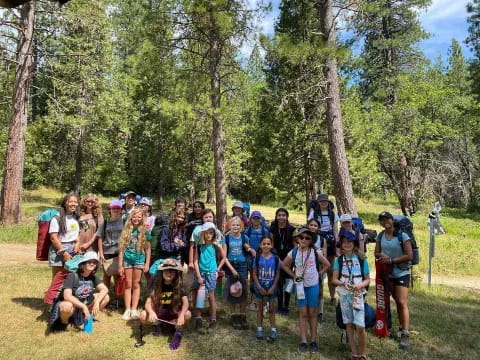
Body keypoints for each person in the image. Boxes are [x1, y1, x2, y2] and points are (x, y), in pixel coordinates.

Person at [281, 227, 330, 354]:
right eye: (301, 237)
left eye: (307, 238)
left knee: (312, 313)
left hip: (313, 285)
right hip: (300, 286)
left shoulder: (314, 252)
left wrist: (318, 274)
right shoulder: (294, 252)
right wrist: (293, 276)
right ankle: (303, 341)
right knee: (303, 313)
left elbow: (327, 265)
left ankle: (313, 341)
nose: (303, 239)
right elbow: (284, 265)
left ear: (310, 241)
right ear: (297, 238)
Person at [375, 211, 413, 349]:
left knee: (402, 301)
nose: (385, 222)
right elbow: (376, 252)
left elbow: (409, 255)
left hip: (401, 271)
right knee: (391, 300)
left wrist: (392, 260)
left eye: (387, 219)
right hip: (388, 273)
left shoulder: (403, 235)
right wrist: (382, 256)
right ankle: (388, 327)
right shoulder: (381, 236)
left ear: (392, 220)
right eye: (382, 220)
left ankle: (405, 333)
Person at [332, 230, 370, 360]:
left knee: (360, 325)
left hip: (358, 295)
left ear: (354, 243)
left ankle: (362, 353)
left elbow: (367, 279)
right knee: (348, 323)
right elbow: (334, 279)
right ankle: (354, 353)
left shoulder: (362, 259)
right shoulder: (339, 260)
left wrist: (360, 285)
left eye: (349, 241)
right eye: (344, 242)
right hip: (344, 295)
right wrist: (343, 284)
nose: (347, 244)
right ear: (341, 244)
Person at [49, 251, 109, 332]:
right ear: (83, 263)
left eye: (94, 262)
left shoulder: (93, 277)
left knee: (106, 297)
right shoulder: (72, 276)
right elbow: (67, 296)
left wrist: (97, 302)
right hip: (72, 305)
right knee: (67, 306)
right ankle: (64, 322)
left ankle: (87, 318)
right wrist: (83, 306)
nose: (92, 264)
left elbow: (105, 289)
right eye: (89, 261)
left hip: (83, 304)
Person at [140, 258, 191, 350]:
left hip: (173, 312)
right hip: (158, 313)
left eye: (172, 271)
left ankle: (174, 326)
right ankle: (157, 325)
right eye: (166, 271)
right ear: (162, 272)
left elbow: (186, 303)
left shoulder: (179, 284)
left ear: (176, 273)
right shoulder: (154, 282)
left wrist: (181, 315)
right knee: (143, 315)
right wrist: (151, 312)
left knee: (187, 314)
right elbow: (147, 303)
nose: (169, 273)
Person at [118, 209, 152, 320]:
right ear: (130, 218)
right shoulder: (126, 231)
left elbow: (148, 249)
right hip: (127, 260)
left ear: (142, 218)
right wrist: (120, 265)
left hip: (139, 260)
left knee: (136, 284)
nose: (136, 219)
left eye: (139, 217)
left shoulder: (145, 231)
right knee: (128, 283)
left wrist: (147, 264)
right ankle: (127, 309)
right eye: (134, 217)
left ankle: (134, 309)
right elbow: (121, 249)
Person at [192, 222, 225, 334]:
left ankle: (213, 319)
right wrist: (198, 275)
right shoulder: (199, 246)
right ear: (203, 234)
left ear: (214, 234)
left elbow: (223, 258)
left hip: (211, 274)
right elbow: (195, 261)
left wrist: (217, 270)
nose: (209, 235)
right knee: (200, 297)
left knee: (211, 297)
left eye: (211, 232)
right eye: (207, 232)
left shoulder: (216, 246)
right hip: (201, 274)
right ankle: (198, 319)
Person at [222, 216, 255, 329]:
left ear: (241, 227)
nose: (235, 227)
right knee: (232, 291)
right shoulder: (226, 238)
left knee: (243, 290)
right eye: (233, 225)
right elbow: (224, 257)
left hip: (242, 265)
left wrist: (249, 249)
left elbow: (248, 249)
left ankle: (242, 315)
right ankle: (234, 316)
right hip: (231, 265)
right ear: (229, 226)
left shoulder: (244, 237)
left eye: (237, 225)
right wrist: (232, 270)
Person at [308, 193, 339, 306]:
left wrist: (337, 245)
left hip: (330, 243)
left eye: (325, 201)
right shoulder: (313, 213)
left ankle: (332, 296)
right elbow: (310, 227)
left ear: (328, 202)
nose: (323, 203)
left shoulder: (333, 215)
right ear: (318, 203)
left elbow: (335, 231)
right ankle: (317, 295)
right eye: (321, 201)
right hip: (317, 240)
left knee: (330, 270)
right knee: (316, 268)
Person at [252, 236, 280, 341]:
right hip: (260, 287)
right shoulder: (258, 257)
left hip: (272, 288)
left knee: (272, 309)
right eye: (264, 244)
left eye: (268, 244)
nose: (266, 246)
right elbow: (254, 274)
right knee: (259, 308)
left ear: (271, 245)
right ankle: (259, 328)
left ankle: (273, 330)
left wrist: (273, 287)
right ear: (260, 245)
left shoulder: (275, 258)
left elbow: (277, 274)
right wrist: (259, 287)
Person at [269, 208, 295, 315]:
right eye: (279, 215)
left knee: (288, 282)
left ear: (287, 217)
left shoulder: (292, 229)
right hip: (277, 258)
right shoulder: (272, 229)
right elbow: (272, 245)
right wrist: (277, 258)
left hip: (289, 258)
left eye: (283, 215)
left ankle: (286, 306)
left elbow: (295, 246)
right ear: (276, 216)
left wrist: (290, 259)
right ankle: (279, 305)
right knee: (279, 283)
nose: (281, 217)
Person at [48, 193, 80, 279]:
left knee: (70, 277)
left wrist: (77, 243)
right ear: (65, 203)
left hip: (72, 250)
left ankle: (67, 292)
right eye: (70, 201)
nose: (73, 204)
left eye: (75, 202)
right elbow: (53, 238)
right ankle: (55, 293)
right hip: (58, 249)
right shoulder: (57, 218)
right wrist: (64, 253)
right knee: (57, 277)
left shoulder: (77, 218)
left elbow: (78, 234)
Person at [245, 210, 270, 310]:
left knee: (263, 277)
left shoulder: (265, 231)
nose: (256, 220)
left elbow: (268, 243)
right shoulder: (248, 231)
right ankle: (253, 300)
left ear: (261, 219)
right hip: (251, 258)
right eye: (254, 218)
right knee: (253, 278)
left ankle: (263, 300)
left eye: (257, 218)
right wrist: (250, 249)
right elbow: (245, 242)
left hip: (262, 257)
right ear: (251, 219)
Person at [97, 200, 124, 292]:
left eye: (118, 208)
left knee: (117, 276)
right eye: (114, 208)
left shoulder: (124, 222)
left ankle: (117, 298)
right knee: (106, 276)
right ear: (110, 210)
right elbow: (100, 238)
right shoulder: (104, 223)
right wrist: (101, 253)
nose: (116, 210)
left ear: (121, 210)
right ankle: (105, 295)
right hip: (107, 252)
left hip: (119, 252)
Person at [307, 218, 327, 321]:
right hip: (306, 268)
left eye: (315, 225)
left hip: (318, 268)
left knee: (320, 290)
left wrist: (322, 271)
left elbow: (325, 255)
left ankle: (320, 312)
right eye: (311, 225)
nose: (313, 227)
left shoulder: (322, 240)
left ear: (318, 228)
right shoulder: (304, 237)